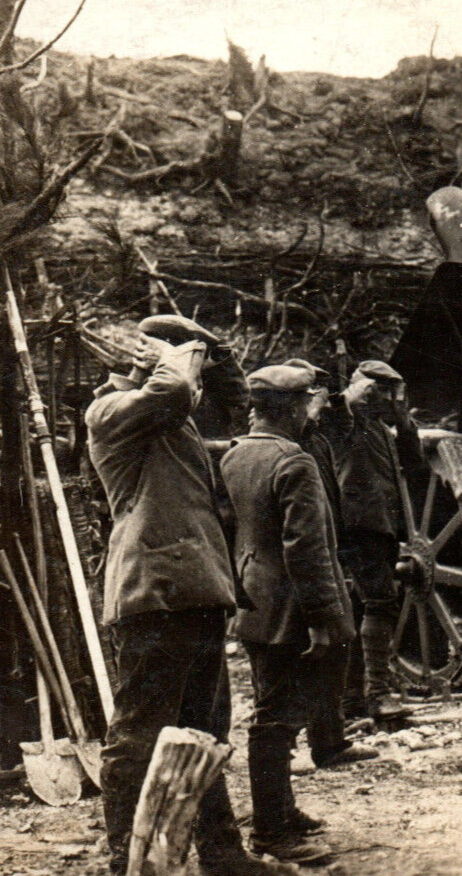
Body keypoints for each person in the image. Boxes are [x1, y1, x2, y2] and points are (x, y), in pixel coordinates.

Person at [86, 315, 289, 876]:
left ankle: (222, 855)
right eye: (180, 357)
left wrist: (214, 347)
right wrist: (163, 358)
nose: (190, 369)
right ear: (141, 361)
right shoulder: (110, 413)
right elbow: (175, 387)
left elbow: (233, 395)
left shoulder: (173, 423)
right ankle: (124, 860)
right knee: (138, 733)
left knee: (204, 732)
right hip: (155, 593)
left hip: (197, 592)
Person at [221, 365, 355, 864]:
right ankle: (272, 833)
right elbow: (307, 548)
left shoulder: (236, 454)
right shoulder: (294, 461)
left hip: (256, 596)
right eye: (306, 403)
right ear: (294, 408)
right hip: (294, 607)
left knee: (272, 706)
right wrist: (323, 617)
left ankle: (282, 811)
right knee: (277, 719)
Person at [282, 358, 378, 768]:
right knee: (293, 656)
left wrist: (335, 400)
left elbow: (344, 425)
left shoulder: (317, 436)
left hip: (329, 552)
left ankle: (329, 740)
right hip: (297, 563)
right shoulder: (289, 442)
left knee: (337, 647)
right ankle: (284, 747)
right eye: (313, 396)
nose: (321, 404)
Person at [321, 359, 426, 721]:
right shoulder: (344, 421)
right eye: (382, 390)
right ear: (366, 389)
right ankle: (378, 694)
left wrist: (403, 418)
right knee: (381, 603)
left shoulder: (381, 428)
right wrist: (354, 394)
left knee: (363, 607)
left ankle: (352, 701)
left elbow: (416, 464)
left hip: (381, 526)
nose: (388, 398)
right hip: (358, 526)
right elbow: (335, 408)